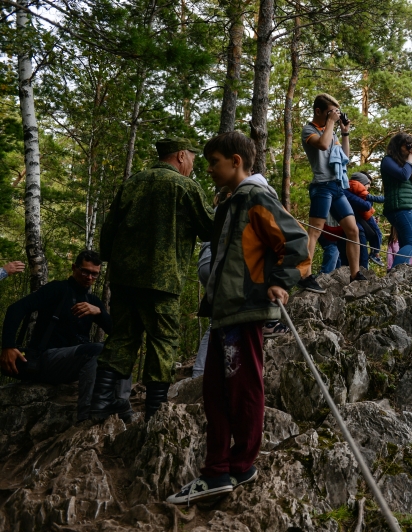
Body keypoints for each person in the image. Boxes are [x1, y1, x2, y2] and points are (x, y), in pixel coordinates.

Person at [167, 131, 310, 504]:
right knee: (216, 390)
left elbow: (295, 244)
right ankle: (223, 468)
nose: (209, 169)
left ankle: (235, 466)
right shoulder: (234, 202)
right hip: (227, 310)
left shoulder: (255, 197)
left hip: (245, 308)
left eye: (214, 162)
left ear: (236, 161)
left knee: (241, 387)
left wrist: (279, 283)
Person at [93, 137, 215, 423]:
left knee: (121, 337)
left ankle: (97, 407)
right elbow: (210, 229)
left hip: (124, 280)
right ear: (182, 156)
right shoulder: (184, 187)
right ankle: (155, 412)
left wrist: (114, 261)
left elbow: (108, 232)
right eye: (193, 160)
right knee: (163, 342)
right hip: (163, 281)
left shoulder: (133, 182)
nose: (194, 166)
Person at [0, 250, 113, 422]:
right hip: (46, 360)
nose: (89, 278)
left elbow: (118, 333)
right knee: (97, 349)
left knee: (116, 351)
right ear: (74, 268)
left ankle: (122, 408)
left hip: (76, 365)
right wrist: (8, 345)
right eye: (85, 271)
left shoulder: (93, 301)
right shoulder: (56, 289)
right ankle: (87, 417)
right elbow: (17, 308)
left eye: (94, 274)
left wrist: (99, 313)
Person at [299, 93, 366, 290]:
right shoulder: (309, 130)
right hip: (321, 186)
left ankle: (355, 274)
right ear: (318, 111)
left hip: (337, 187)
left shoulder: (331, 131)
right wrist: (330, 123)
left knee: (353, 230)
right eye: (330, 113)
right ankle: (305, 275)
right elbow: (322, 145)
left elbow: (344, 156)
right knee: (315, 232)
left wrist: (344, 132)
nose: (334, 117)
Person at [381, 132, 412, 268]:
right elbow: (403, 175)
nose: (409, 149)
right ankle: (394, 275)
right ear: (397, 146)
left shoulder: (407, 164)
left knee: (404, 244)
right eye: (407, 146)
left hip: (405, 208)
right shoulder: (387, 160)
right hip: (399, 207)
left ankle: (399, 276)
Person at [349, 172, 385, 266]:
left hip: (363, 219)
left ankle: (374, 253)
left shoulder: (352, 188)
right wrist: (386, 198)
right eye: (368, 183)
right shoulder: (358, 187)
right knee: (378, 234)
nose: (369, 186)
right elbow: (369, 202)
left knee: (374, 234)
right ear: (362, 183)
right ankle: (375, 253)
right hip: (363, 218)